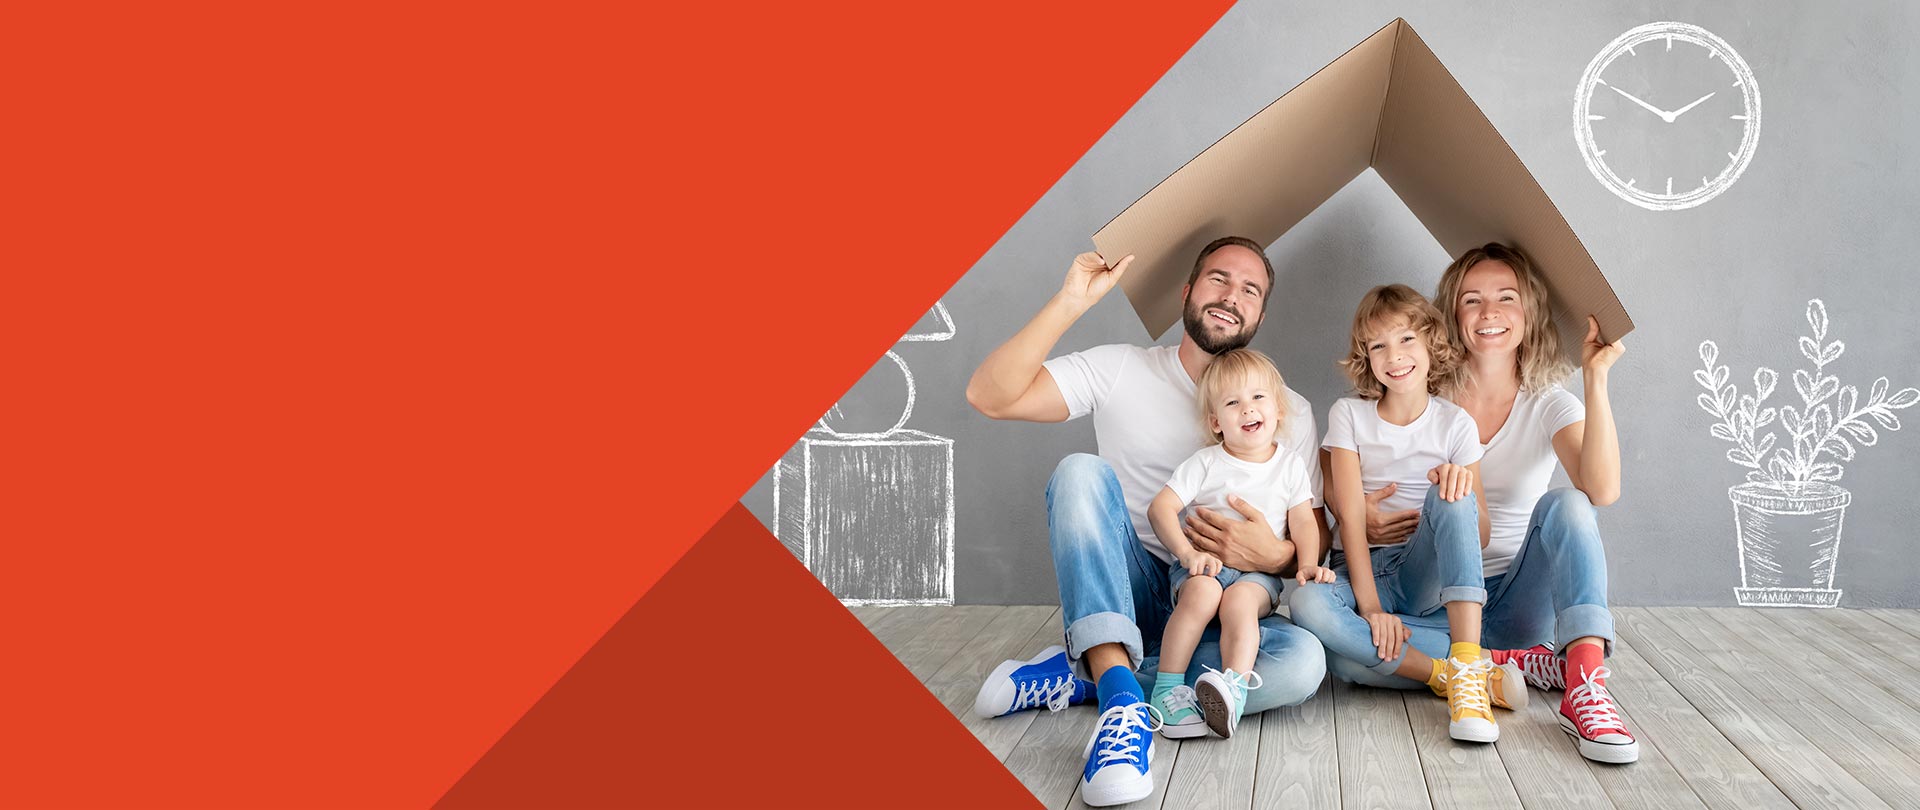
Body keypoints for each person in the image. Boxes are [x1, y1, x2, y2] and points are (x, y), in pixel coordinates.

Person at [965, 238, 1329, 807]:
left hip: (1221, 602)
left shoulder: (1288, 410)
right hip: (1131, 586)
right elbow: (989, 396)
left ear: (1260, 314)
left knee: (1302, 663)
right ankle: (1122, 709)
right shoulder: (1120, 369)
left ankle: (1092, 671)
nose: (1232, 297)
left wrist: (1276, 557)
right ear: (1187, 293)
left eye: (1250, 290)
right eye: (1218, 279)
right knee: (1081, 472)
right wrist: (1069, 302)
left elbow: (1313, 526)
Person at [1287, 284, 1514, 743]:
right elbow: (1350, 517)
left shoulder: (1455, 423)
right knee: (1307, 605)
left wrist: (1457, 488)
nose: (1395, 355)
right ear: (1365, 357)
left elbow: (1482, 531)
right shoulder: (1350, 414)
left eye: (1406, 339)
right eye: (1378, 345)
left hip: (1420, 574)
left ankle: (1466, 661)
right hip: (1360, 569)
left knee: (1453, 494)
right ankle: (1449, 672)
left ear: (1431, 343)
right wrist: (1370, 610)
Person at [1144, 348, 1328, 741]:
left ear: (1279, 410)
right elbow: (1161, 508)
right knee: (1202, 594)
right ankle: (1166, 689)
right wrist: (1187, 552)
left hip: (1258, 577)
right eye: (1233, 402)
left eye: (1258, 397)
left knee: (1240, 603)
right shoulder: (1206, 462)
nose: (1247, 409)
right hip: (1205, 566)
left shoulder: (1290, 465)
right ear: (1216, 422)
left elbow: (1303, 522)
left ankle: (1233, 689)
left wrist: (1307, 563)